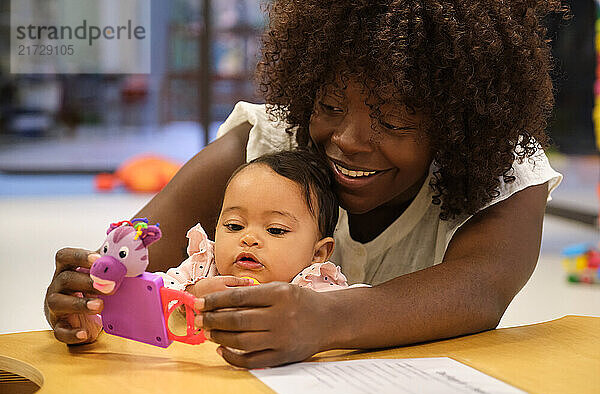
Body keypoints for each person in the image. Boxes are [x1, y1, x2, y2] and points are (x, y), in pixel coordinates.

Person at [45, 0, 566, 368]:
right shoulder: (267, 144)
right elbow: (126, 254)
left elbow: (482, 287)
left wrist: (325, 319)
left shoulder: (503, 169)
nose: (348, 140)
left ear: (458, 124)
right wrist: (85, 295)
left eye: (395, 122)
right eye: (330, 106)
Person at [155, 150, 354, 296]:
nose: (249, 238)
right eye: (234, 226)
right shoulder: (203, 267)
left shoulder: (318, 290)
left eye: (275, 230)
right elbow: (152, 294)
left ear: (317, 253)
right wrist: (190, 294)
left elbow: (356, 316)